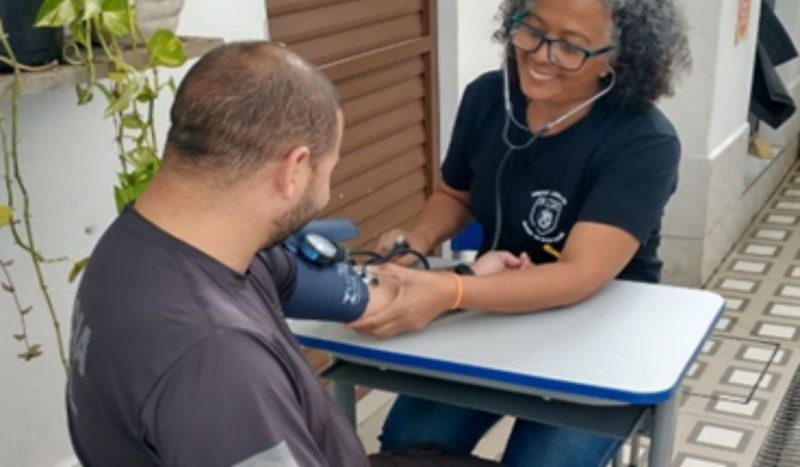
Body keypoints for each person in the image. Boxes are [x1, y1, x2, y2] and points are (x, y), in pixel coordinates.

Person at [66, 42, 508, 467]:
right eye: (329, 168)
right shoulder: (217, 363)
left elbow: (362, 292)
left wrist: (469, 276)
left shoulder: (149, 246)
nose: (328, 188)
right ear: (294, 169)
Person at [351, 0, 692, 466]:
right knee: (409, 441)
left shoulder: (644, 141)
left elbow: (577, 276)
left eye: (570, 46)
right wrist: (417, 243)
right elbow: (454, 194)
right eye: (530, 29)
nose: (540, 55)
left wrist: (448, 290)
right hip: (492, 306)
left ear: (619, 57)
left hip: (599, 330)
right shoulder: (488, 98)